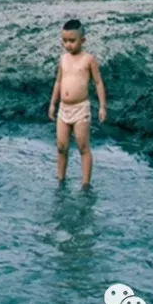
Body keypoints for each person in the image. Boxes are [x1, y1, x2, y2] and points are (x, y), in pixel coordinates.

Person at [47, 19, 107, 188]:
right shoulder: (63, 59)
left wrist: (102, 106)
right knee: (61, 146)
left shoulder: (88, 60)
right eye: (65, 41)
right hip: (63, 108)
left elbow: (98, 83)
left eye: (72, 41)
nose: (68, 45)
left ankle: (85, 182)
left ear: (83, 40)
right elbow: (58, 82)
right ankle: (60, 178)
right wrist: (53, 103)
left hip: (81, 108)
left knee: (83, 146)